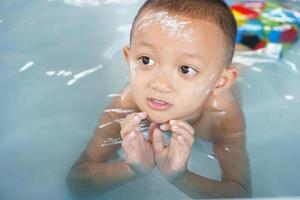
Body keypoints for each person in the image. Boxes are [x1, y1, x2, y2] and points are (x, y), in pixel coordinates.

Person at [66, 0, 252, 198]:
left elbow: (240, 194)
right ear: (129, 60)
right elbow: (76, 183)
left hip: (223, 82)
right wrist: (130, 169)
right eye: (146, 60)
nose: (159, 84)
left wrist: (181, 177)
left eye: (186, 69)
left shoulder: (222, 115)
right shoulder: (127, 104)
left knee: (243, 56)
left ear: (220, 82)